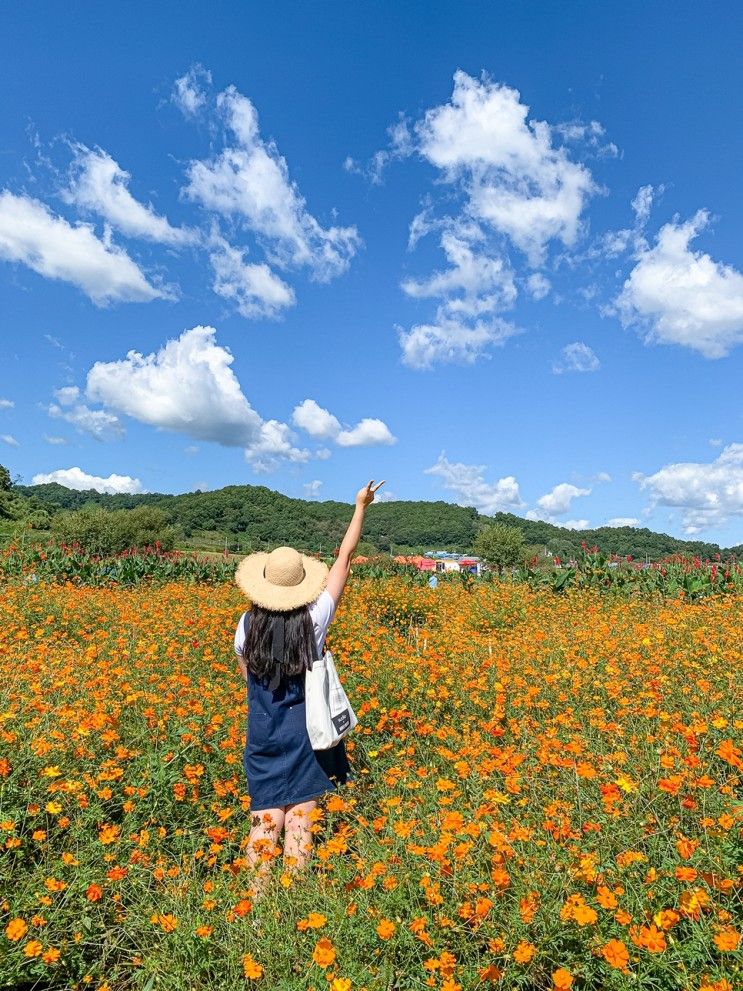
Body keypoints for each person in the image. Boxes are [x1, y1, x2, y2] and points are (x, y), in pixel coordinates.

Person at [233, 479, 385, 884]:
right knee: (300, 824)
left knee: (264, 823)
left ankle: (258, 910)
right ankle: (292, 908)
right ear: (301, 584)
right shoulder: (314, 621)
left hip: (263, 732)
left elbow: (247, 676)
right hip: (307, 732)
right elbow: (344, 559)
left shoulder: (246, 625)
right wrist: (360, 506)